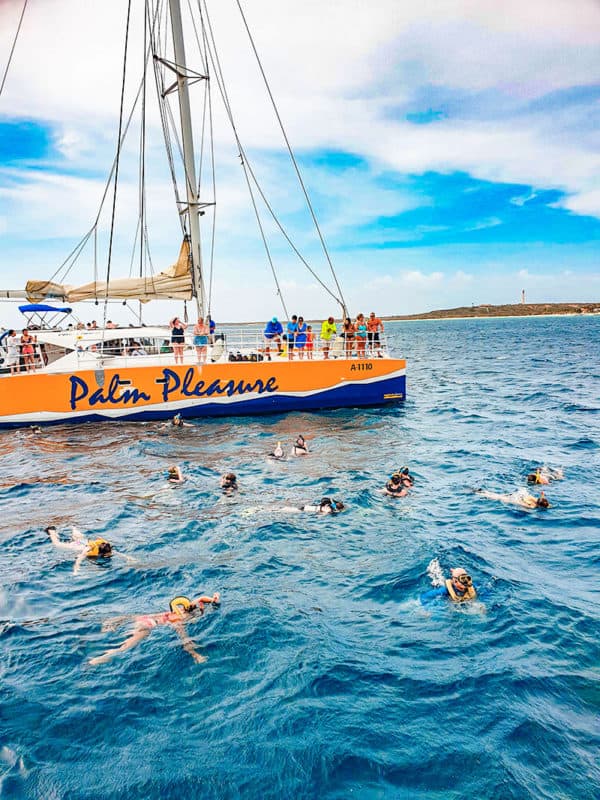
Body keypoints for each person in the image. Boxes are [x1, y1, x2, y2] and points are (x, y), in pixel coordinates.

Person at [88, 592, 220, 666]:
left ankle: (110, 624)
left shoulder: (179, 609)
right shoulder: (179, 621)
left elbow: (201, 598)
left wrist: (214, 598)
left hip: (144, 618)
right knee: (124, 648)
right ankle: (101, 658)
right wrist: (196, 655)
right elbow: (185, 640)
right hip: (148, 625)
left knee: (128, 619)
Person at [45, 525, 126, 575]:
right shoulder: (87, 551)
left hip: (84, 541)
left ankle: (73, 527)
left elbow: (116, 552)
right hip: (77, 546)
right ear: (101, 553)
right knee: (57, 544)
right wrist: (75, 571)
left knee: (79, 537)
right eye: (109, 553)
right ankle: (51, 531)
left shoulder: (104, 546)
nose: (110, 554)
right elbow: (79, 560)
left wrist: (129, 559)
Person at [475, 488, 550, 509]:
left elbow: (541, 498)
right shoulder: (533, 505)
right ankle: (480, 493)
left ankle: (482, 492)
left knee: (498, 496)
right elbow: (523, 504)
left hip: (517, 496)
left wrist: (542, 495)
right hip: (515, 499)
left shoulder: (536, 501)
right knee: (497, 497)